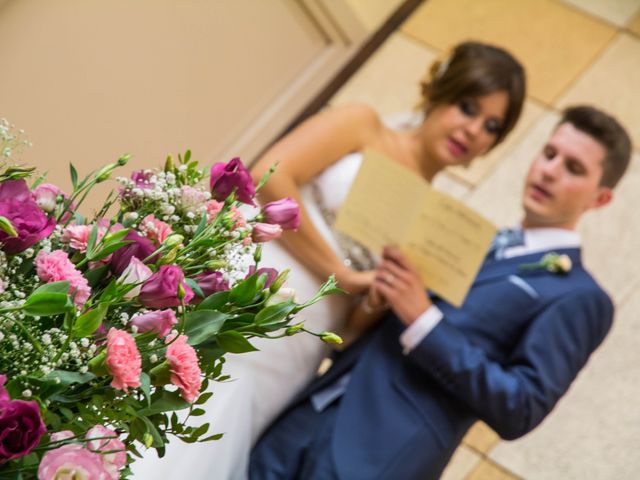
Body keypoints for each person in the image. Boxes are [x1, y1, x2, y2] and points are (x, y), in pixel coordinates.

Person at [132, 41, 525, 479]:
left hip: (301, 344)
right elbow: (270, 175)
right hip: (248, 291)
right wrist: (343, 273)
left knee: (216, 438)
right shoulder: (363, 124)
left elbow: (353, 331)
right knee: (157, 410)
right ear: (439, 90)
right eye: (467, 107)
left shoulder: (434, 223)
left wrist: (373, 304)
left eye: (491, 126)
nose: (473, 130)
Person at [249, 105, 633, 479]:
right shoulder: (472, 242)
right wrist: (381, 300)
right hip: (307, 414)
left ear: (600, 198)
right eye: (549, 154)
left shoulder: (581, 296)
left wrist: (423, 321)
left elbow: (521, 407)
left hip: (379, 459)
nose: (549, 171)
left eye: (573, 168)